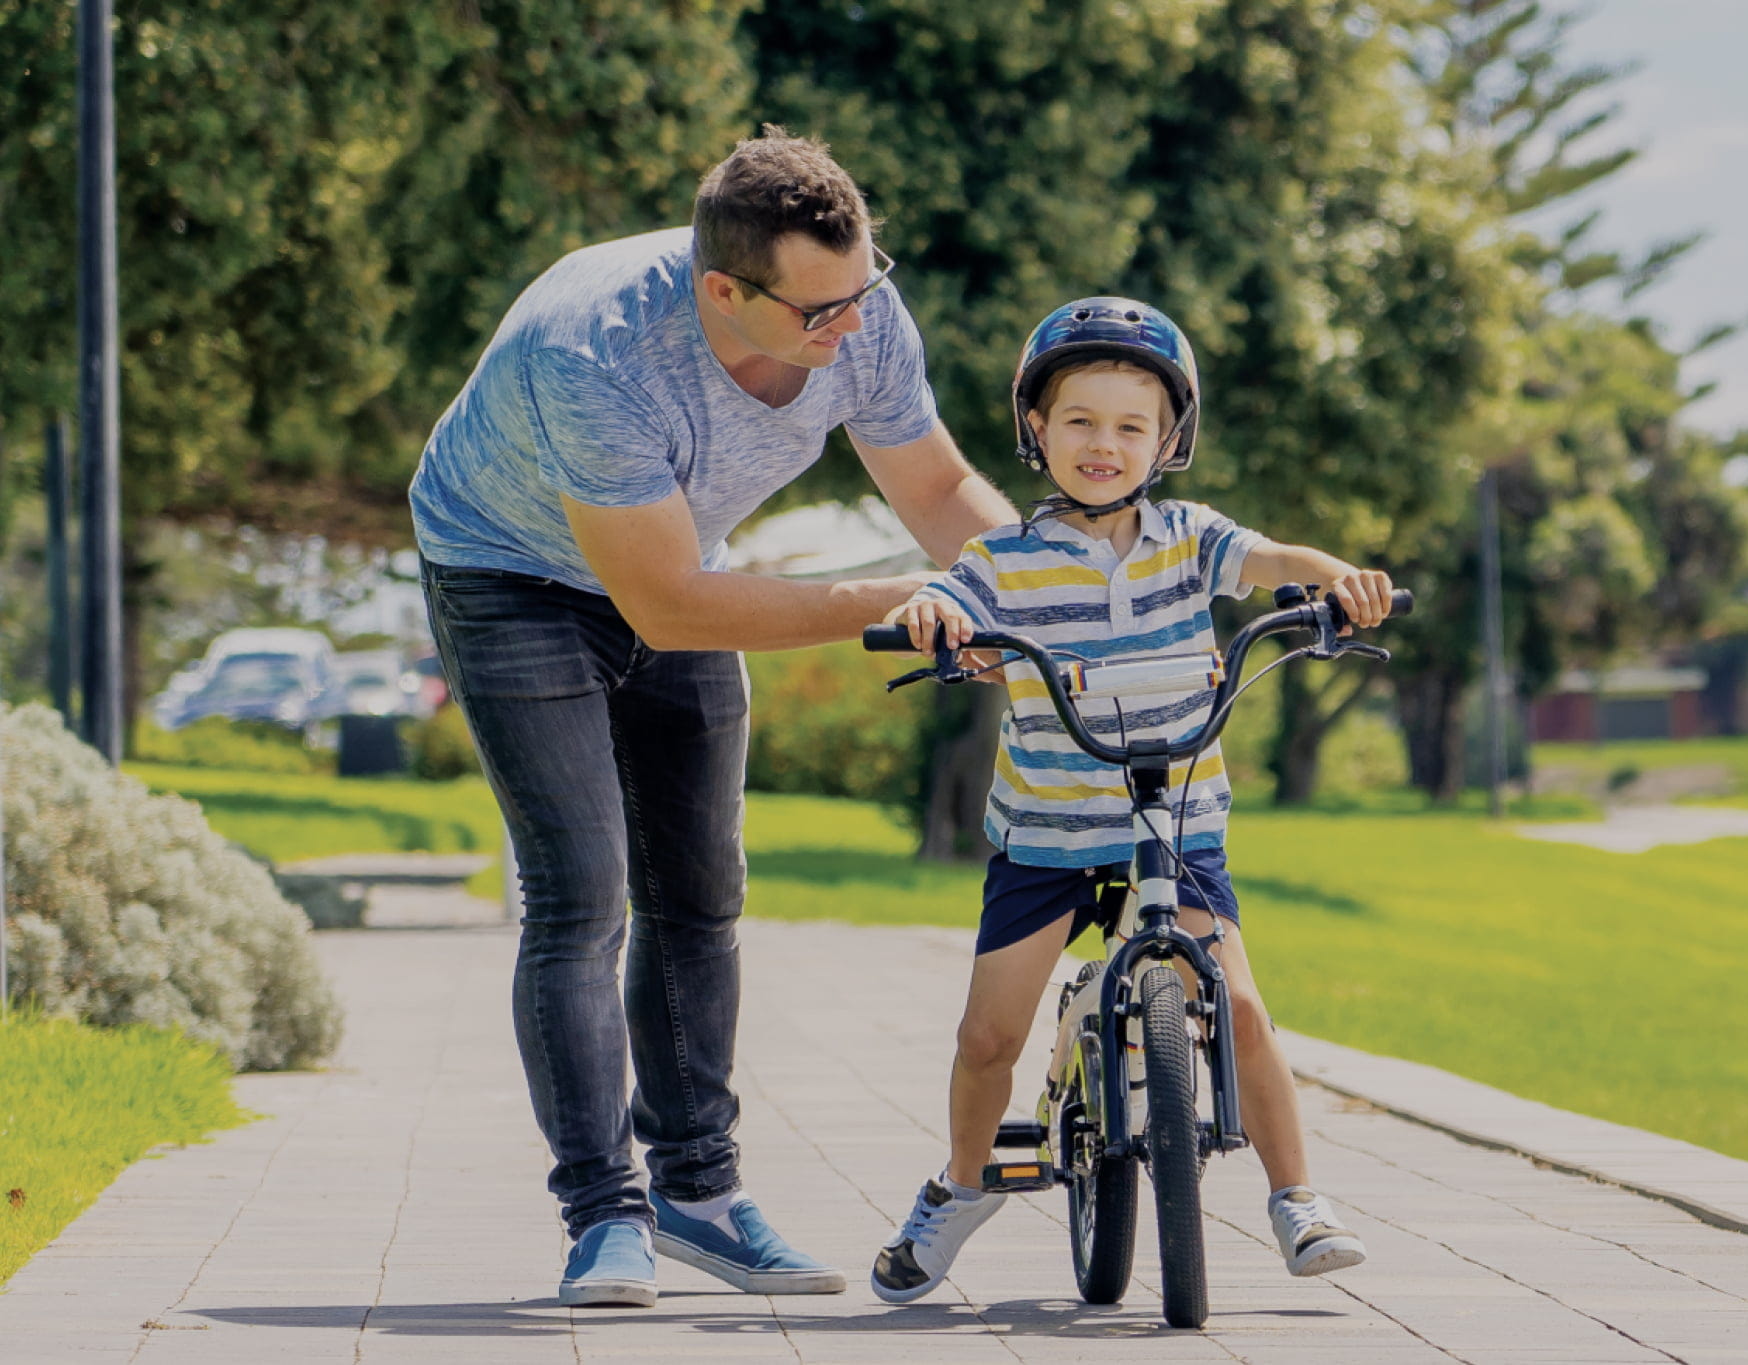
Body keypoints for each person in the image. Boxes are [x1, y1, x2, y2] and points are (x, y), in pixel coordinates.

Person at [407, 128, 1013, 1307]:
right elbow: (670, 607)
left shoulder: (856, 308)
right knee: (580, 892)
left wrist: (1049, 593)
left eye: (861, 294)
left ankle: (698, 1193)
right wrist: (902, 601)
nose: (848, 332)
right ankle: (602, 1213)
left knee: (699, 889)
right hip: (509, 573)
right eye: (816, 314)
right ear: (721, 290)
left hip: (672, 564)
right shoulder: (598, 356)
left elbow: (935, 488)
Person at [869, 298, 1396, 1305]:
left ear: (1167, 439)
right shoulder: (1002, 563)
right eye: (1078, 421)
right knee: (987, 1038)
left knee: (1238, 1005)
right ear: (1036, 430)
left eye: (1129, 426)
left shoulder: (1190, 539)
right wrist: (932, 614)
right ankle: (962, 1183)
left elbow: (1277, 561)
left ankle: (1297, 1199)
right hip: (1047, 839)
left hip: (1175, 822)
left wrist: (1338, 583)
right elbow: (946, 604)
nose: (1102, 445)